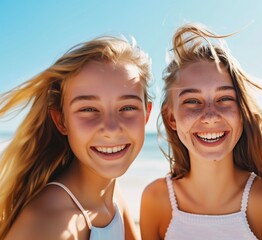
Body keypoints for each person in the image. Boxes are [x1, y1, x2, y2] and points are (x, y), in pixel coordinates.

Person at [139, 23, 262, 240]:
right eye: (192, 101)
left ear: (241, 112)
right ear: (171, 118)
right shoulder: (155, 199)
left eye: (224, 99)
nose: (211, 116)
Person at [0, 36, 152, 240]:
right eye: (88, 109)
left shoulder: (113, 197)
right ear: (61, 121)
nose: (111, 129)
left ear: (147, 114)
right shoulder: (49, 226)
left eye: (127, 107)